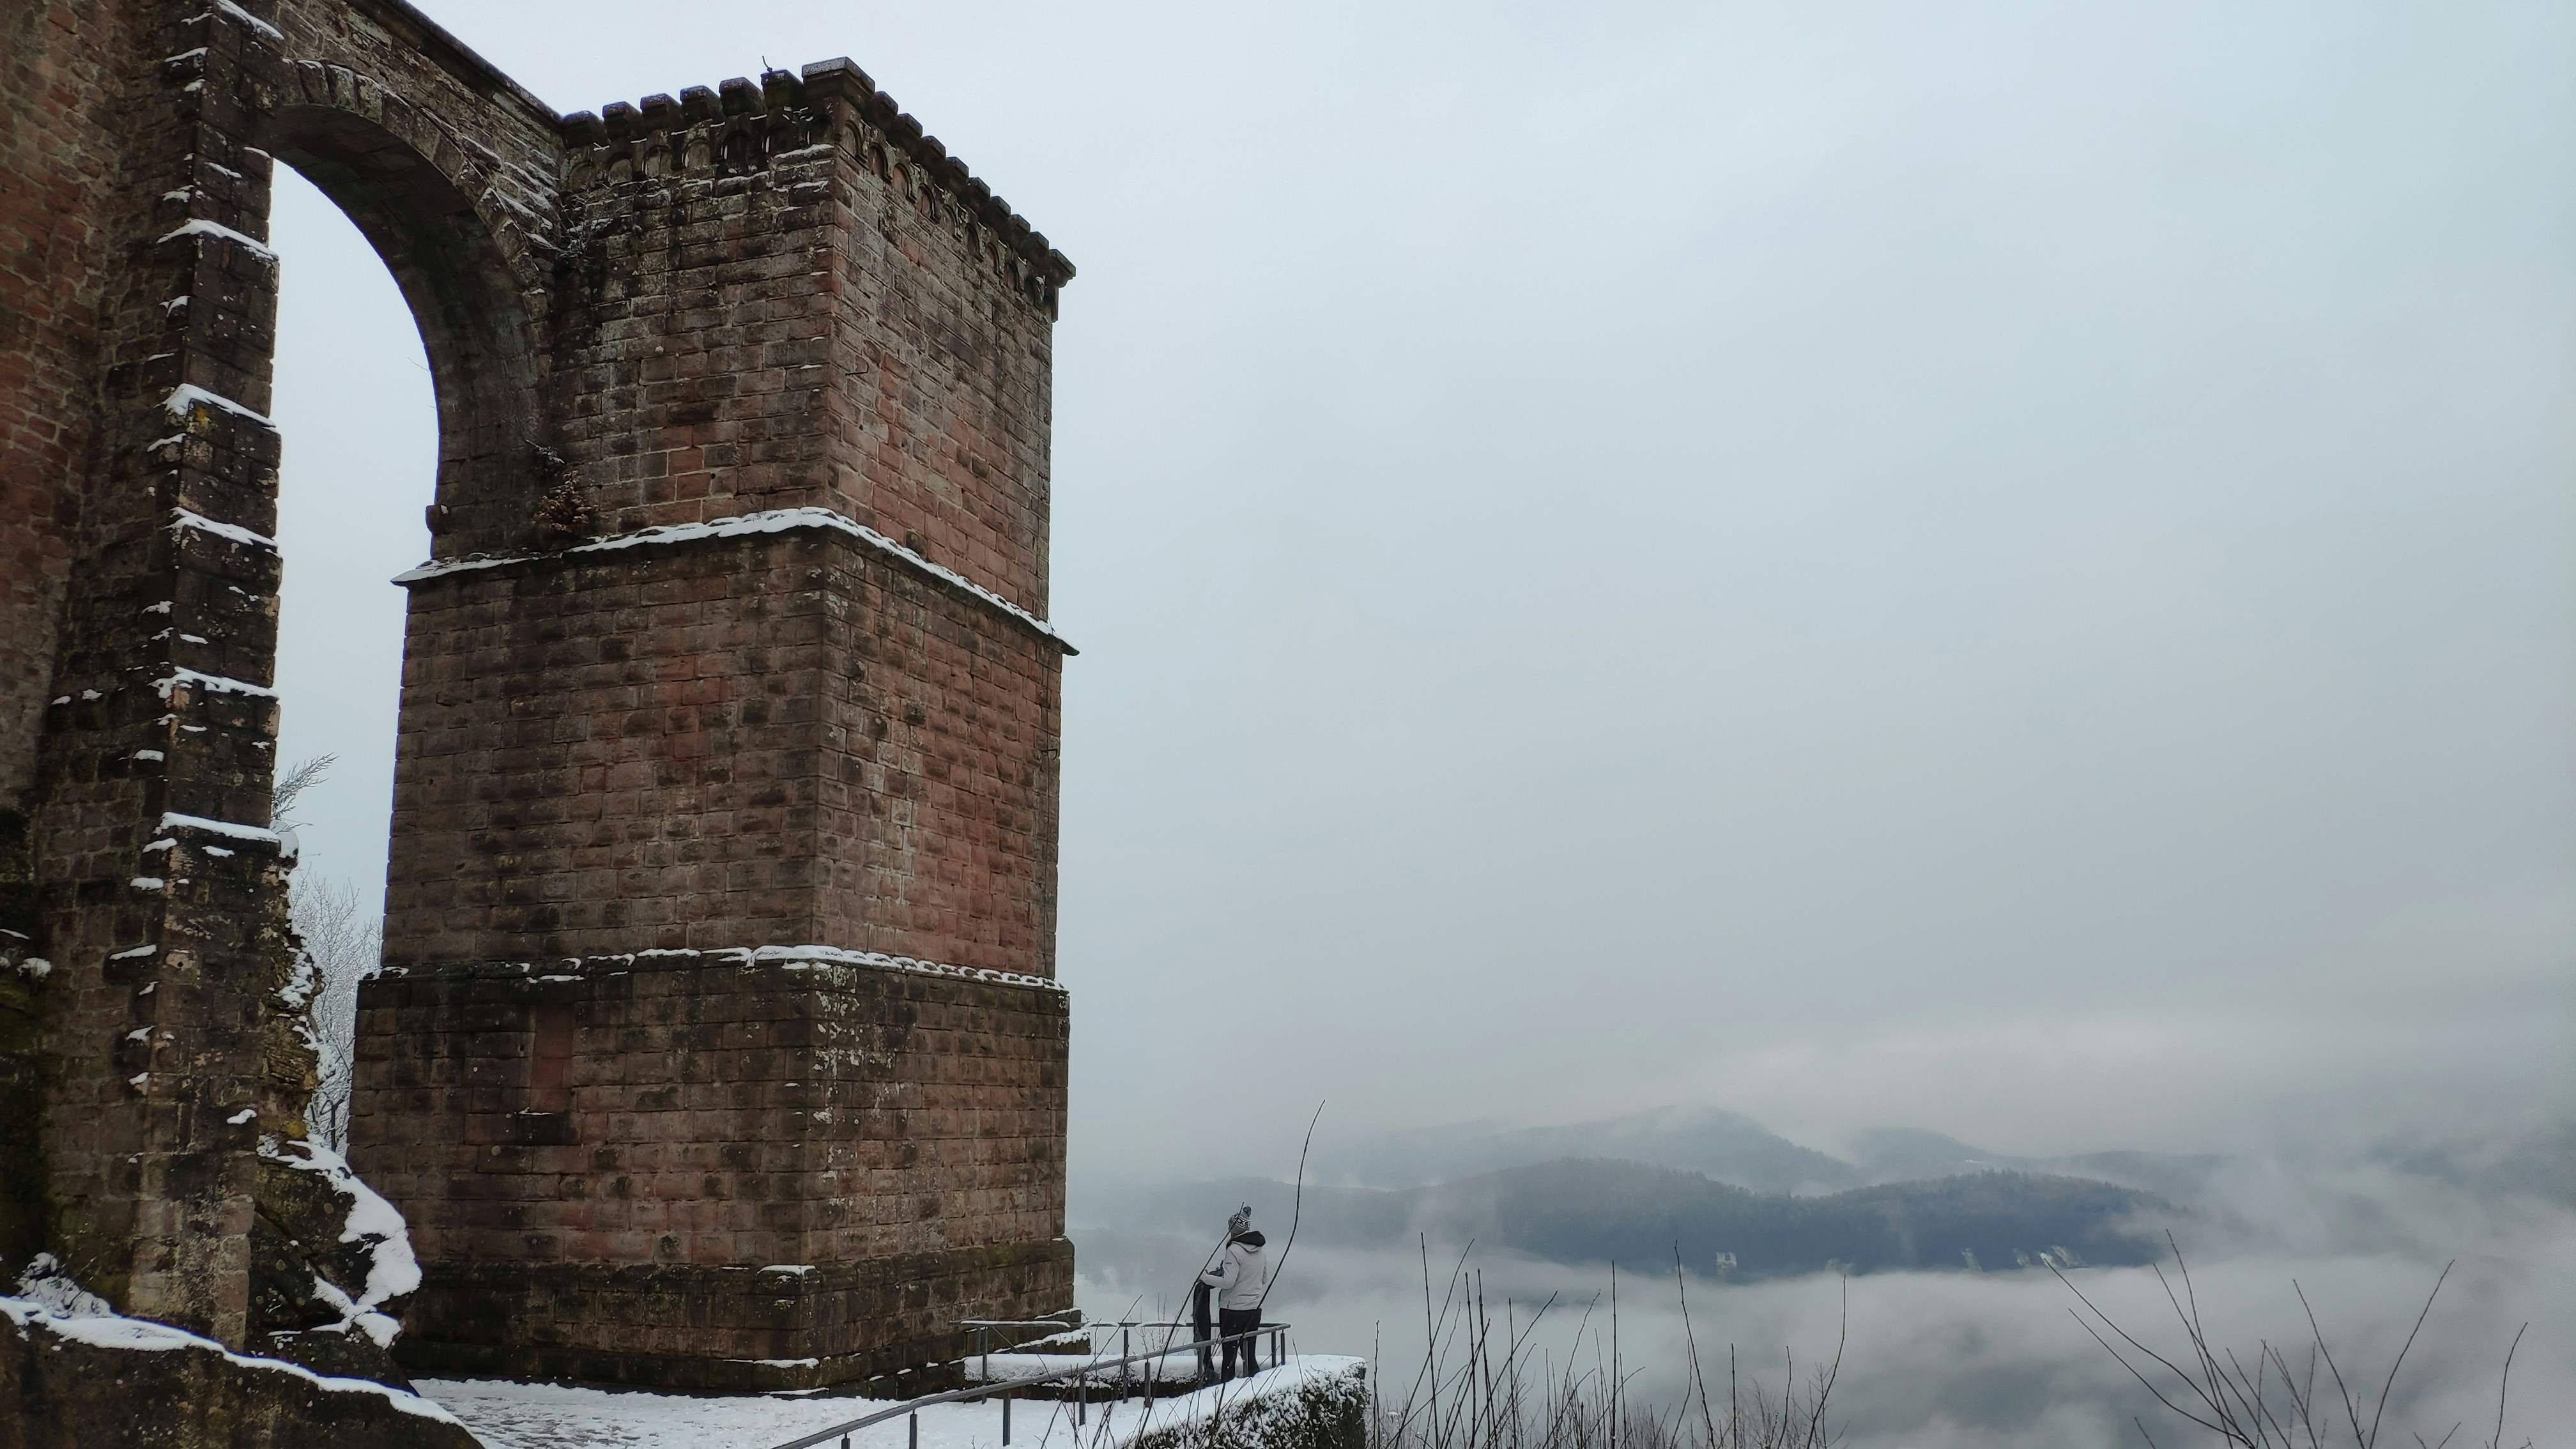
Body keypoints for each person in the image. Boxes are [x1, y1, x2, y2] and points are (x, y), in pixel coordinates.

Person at [1198, 1204, 1268, 1379]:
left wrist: (1205, 1277)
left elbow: (1228, 1282)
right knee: (1249, 1356)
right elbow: (1264, 1278)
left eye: (1230, 1227)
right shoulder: (1261, 1252)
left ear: (1234, 1229)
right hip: (1253, 1310)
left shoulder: (1234, 1250)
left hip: (1232, 1311)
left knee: (1229, 1357)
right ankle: (1257, 1390)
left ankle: (1225, 1392)